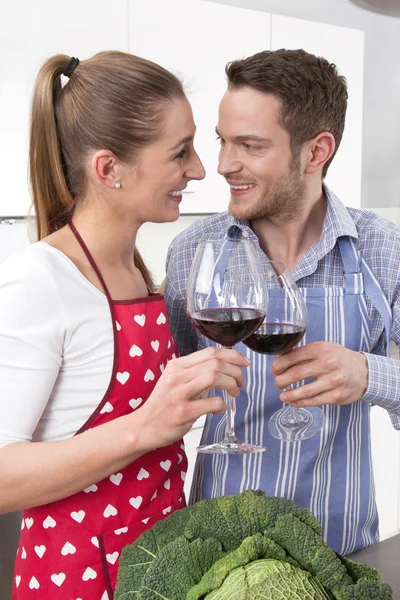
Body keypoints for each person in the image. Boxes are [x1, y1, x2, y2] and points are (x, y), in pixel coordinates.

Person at [0, 51, 249, 599]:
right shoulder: (38, 281)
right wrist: (146, 426)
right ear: (109, 169)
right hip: (81, 576)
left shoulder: (135, 271)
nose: (199, 170)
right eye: (179, 152)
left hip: (162, 569)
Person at [165, 48, 400, 556]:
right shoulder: (194, 252)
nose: (224, 165)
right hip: (216, 553)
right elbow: (170, 396)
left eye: (249, 146)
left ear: (316, 151)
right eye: (223, 141)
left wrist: (368, 374)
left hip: (341, 550)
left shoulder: (382, 248)